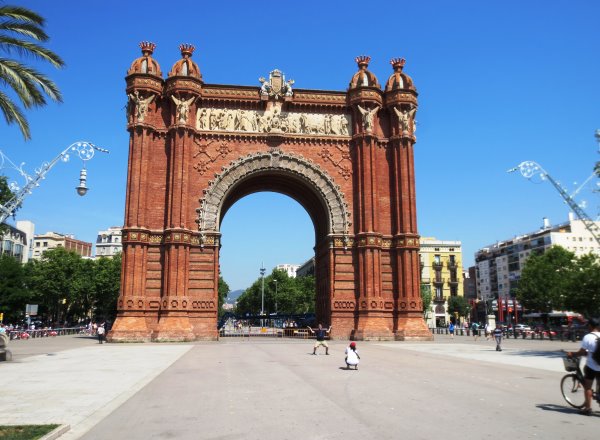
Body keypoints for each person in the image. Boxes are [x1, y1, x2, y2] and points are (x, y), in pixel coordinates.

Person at [567, 317, 600, 415]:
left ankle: (588, 408)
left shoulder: (588, 337)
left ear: (590, 326)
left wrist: (572, 354)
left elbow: (581, 352)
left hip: (592, 367)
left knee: (588, 387)